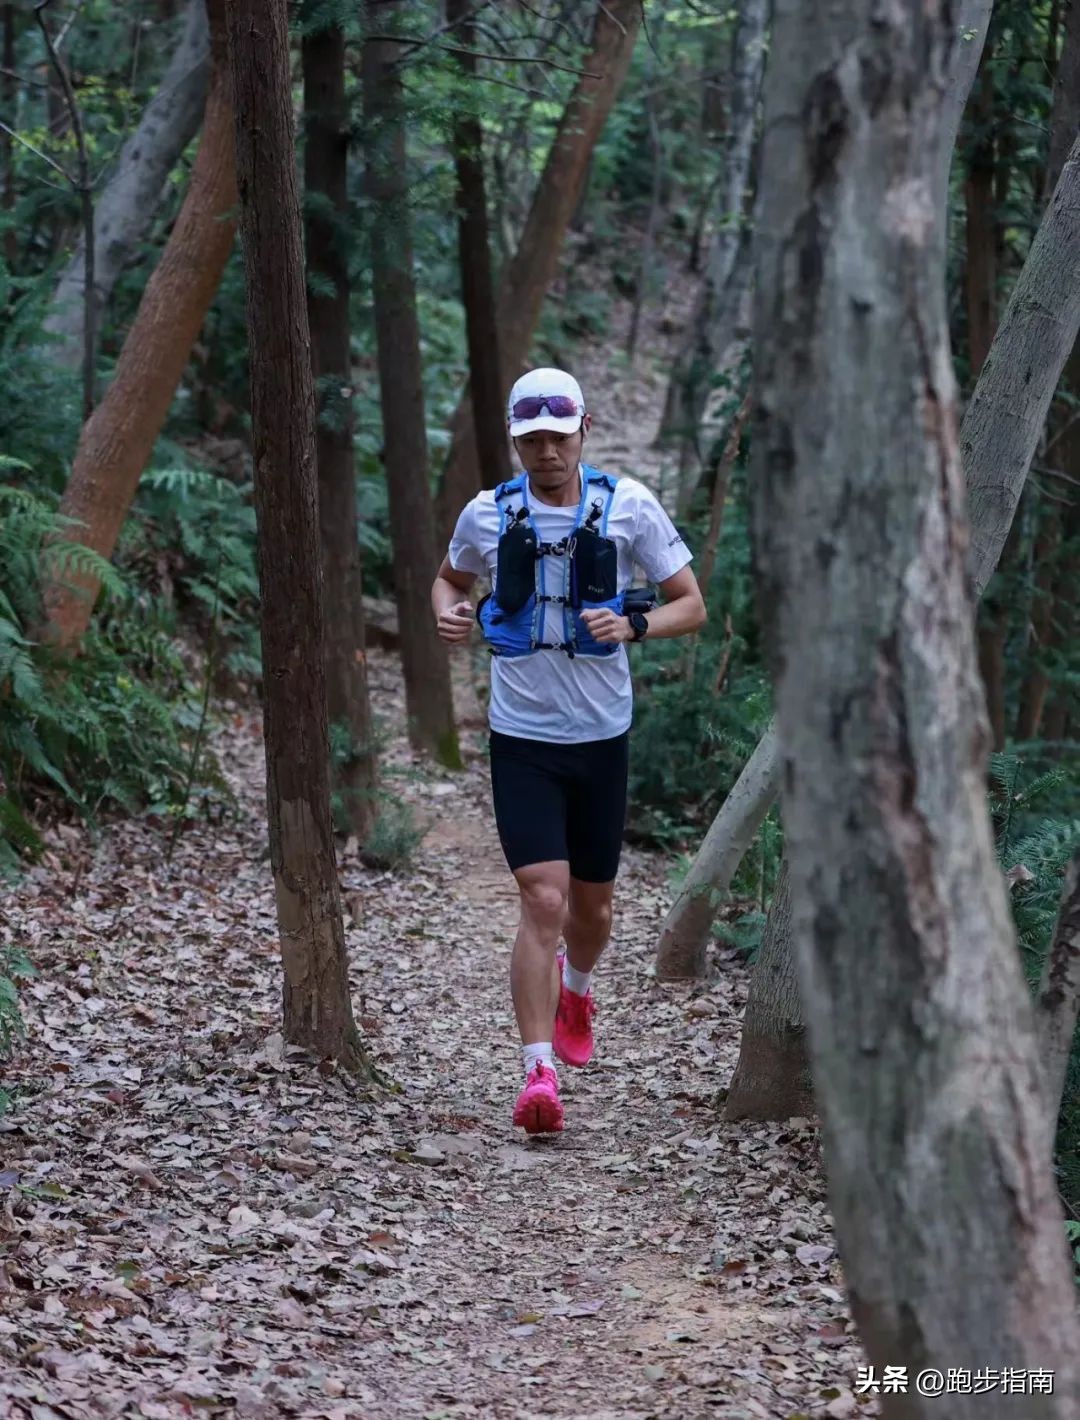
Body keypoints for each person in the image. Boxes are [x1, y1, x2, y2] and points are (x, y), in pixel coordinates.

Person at [431, 368, 706, 1134]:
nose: (545, 452)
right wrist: (451, 616)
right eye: (531, 440)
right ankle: (537, 1073)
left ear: (585, 429)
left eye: (557, 436)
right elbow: (448, 582)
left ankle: (577, 987)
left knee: (593, 907)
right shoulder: (489, 514)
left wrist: (638, 625)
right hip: (521, 737)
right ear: (516, 442)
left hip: (600, 736)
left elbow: (692, 602)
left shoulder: (630, 508)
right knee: (542, 898)